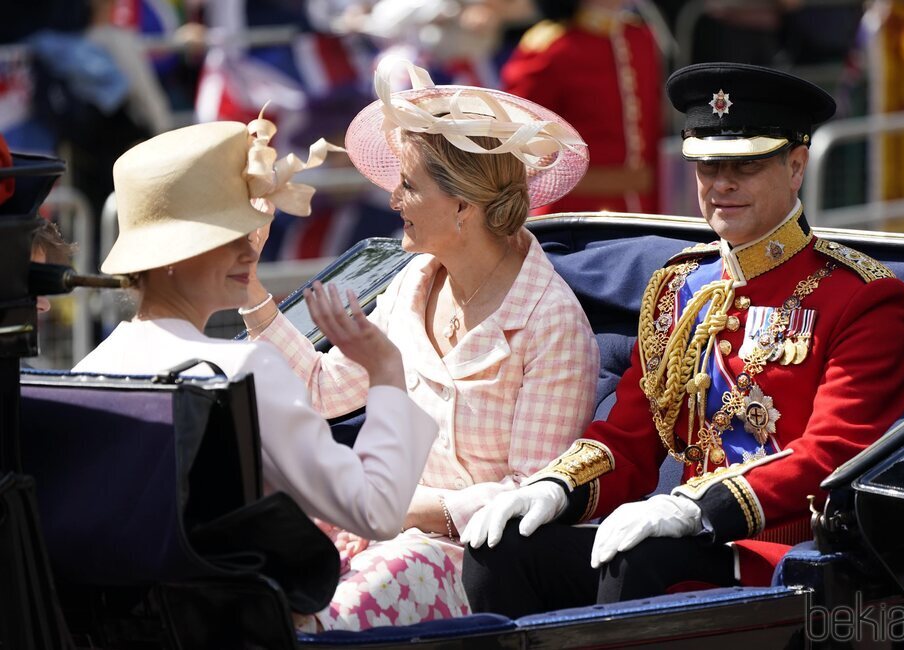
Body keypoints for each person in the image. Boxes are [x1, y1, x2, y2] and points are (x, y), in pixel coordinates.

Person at [461, 62, 904, 616]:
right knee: (500, 549)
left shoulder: (862, 295)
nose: (721, 183)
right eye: (706, 165)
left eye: (744, 166)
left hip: (778, 551)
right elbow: (631, 435)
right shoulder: (680, 286)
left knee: (639, 559)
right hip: (678, 536)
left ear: (796, 166)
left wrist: (693, 507)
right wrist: (556, 487)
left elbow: (832, 454)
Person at [239, 56, 599, 630]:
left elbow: (530, 495)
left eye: (408, 185)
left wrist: (391, 509)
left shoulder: (551, 321)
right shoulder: (411, 283)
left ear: (463, 205)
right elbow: (321, 388)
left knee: (323, 619)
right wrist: (249, 283)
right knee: (252, 578)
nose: (392, 201)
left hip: (477, 562)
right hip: (379, 526)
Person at [72, 116, 439, 545]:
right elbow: (375, 511)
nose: (250, 251)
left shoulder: (92, 365)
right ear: (169, 256)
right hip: (234, 606)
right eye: (229, 235)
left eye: (247, 232)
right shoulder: (245, 370)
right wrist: (387, 371)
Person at [500, 0, 662, 214]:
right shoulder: (551, 47)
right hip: (574, 211)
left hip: (644, 207)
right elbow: (515, 136)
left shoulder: (640, 37)